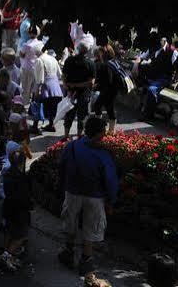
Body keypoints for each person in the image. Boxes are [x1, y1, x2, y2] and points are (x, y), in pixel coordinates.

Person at [58, 116, 118, 275]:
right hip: (95, 197)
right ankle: (86, 260)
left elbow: (61, 168)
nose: (104, 135)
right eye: (103, 132)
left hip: (72, 192)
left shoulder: (71, 147)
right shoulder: (103, 155)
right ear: (99, 133)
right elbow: (111, 181)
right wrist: (111, 201)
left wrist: (63, 186)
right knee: (91, 228)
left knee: (70, 222)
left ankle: (68, 253)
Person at [0, 145, 32, 272]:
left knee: (9, 231)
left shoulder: (7, 173)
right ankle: (6, 255)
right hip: (20, 211)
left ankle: (8, 255)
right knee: (20, 236)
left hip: (8, 208)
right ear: (23, 162)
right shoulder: (22, 178)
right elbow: (24, 196)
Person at [62, 47, 96, 138]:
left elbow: (63, 76)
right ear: (87, 52)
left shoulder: (69, 60)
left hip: (70, 93)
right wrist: (78, 85)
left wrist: (68, 88)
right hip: (84, 93)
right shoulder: (90, 63)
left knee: (69, 114)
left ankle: (65, 136)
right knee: (82, 116)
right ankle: (79, 136)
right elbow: (91, 83)